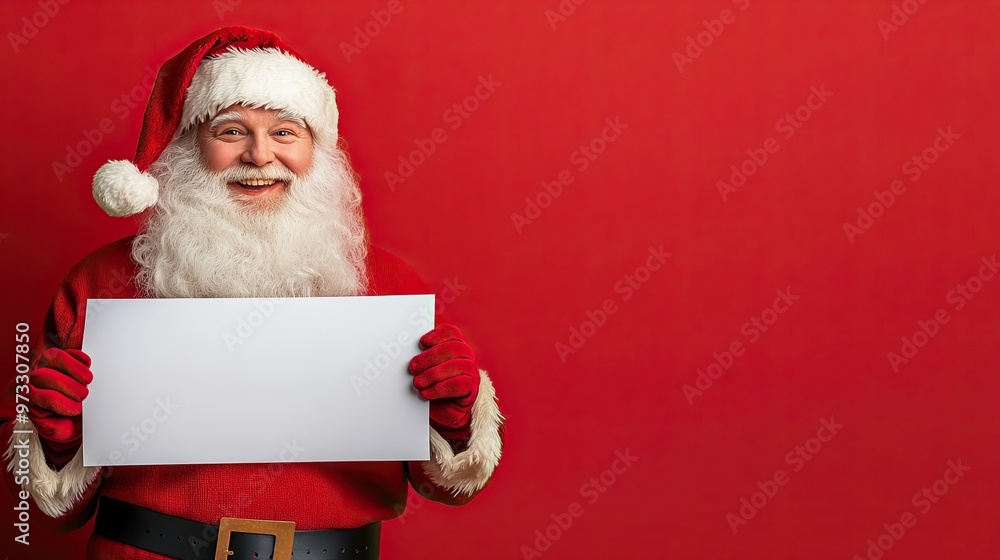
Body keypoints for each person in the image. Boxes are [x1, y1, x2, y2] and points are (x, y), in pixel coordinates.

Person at [0, 26, 503, 560]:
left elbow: (448, 488)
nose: (260, 156)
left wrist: (455, 420)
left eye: (286, 132)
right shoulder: (98, 283)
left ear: (319, 151)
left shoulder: (391, 287)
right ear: (190, 147)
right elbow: (44, 516)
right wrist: (55, 443)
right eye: (231, 131)